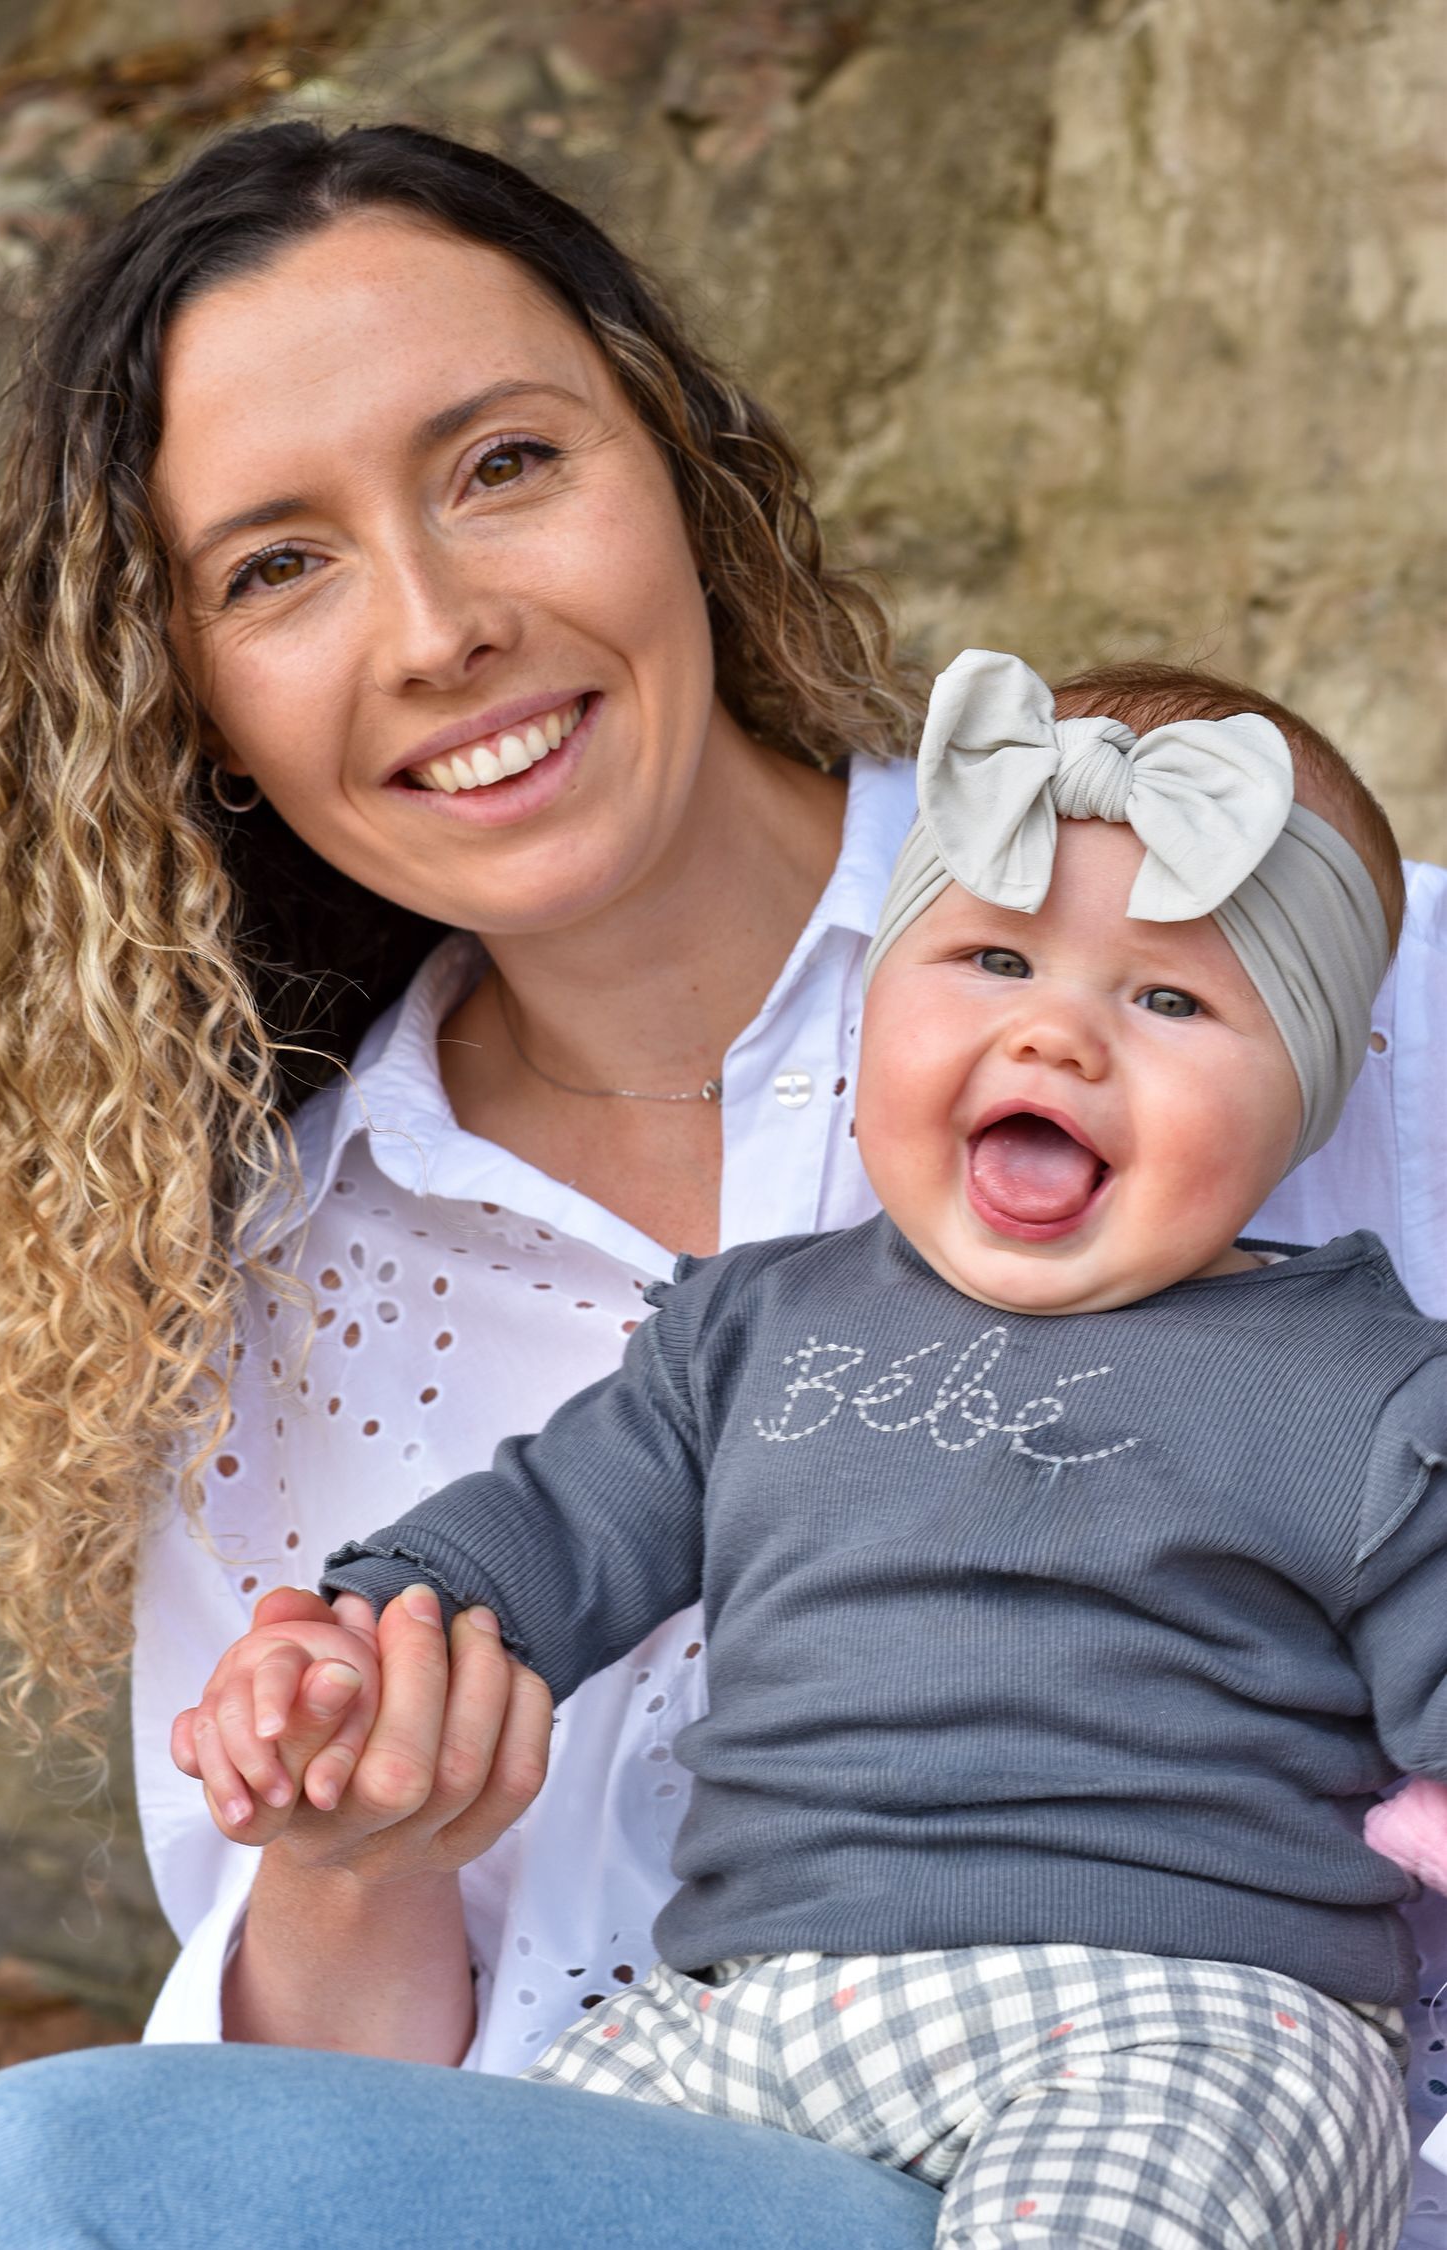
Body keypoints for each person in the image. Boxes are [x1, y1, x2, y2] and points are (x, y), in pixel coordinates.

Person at [0, 120, 1443, 2250]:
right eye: (277, 566)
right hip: (712, 2116)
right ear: (184, 698)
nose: (442, 629)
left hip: (1216, 2120)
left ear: (681, 462)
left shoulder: (1360, 992)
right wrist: (348, 1832)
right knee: (32, 2177)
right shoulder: (267, 1292)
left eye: (503, 464)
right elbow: (324, 2152)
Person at [186, 649, 1438, 2247]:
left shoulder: (1370, 1391)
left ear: (1307, 1087)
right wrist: (355, 1650)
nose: (1055, 1037)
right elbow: (541, 1536)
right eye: (992, 957)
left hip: (1185, 2016)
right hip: (748, 2015)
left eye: (1169, 998)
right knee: (490, 2195)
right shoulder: (752, 1327)